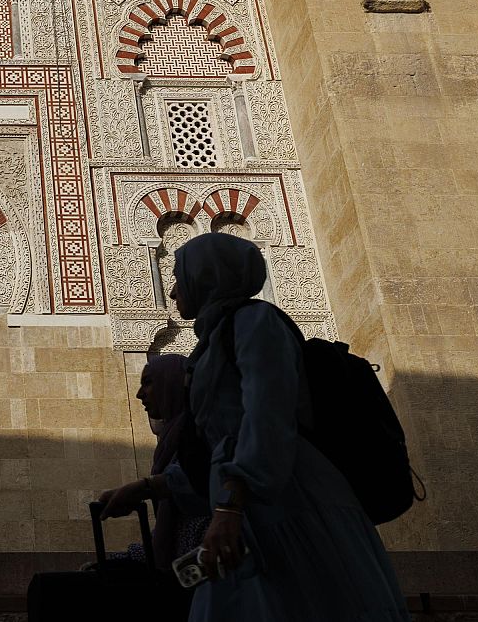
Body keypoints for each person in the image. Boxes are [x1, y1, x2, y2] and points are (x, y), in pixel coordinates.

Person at [99, 233, 409, 621]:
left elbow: (267, 417)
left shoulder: (255, 322)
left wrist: (229, 509)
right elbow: (217, 449)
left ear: (208, 276)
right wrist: (147, 488)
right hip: (246, 516)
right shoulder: (209, 344)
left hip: (287, 504)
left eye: (180, 278)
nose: (173, 291)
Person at [98, 355, 210, 571]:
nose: (140, 394)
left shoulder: (201, 432)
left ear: (172, 384)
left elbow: (202, 481)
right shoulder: (171, 441)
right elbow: (166, 534)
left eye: (148, 382)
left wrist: (146, 488)